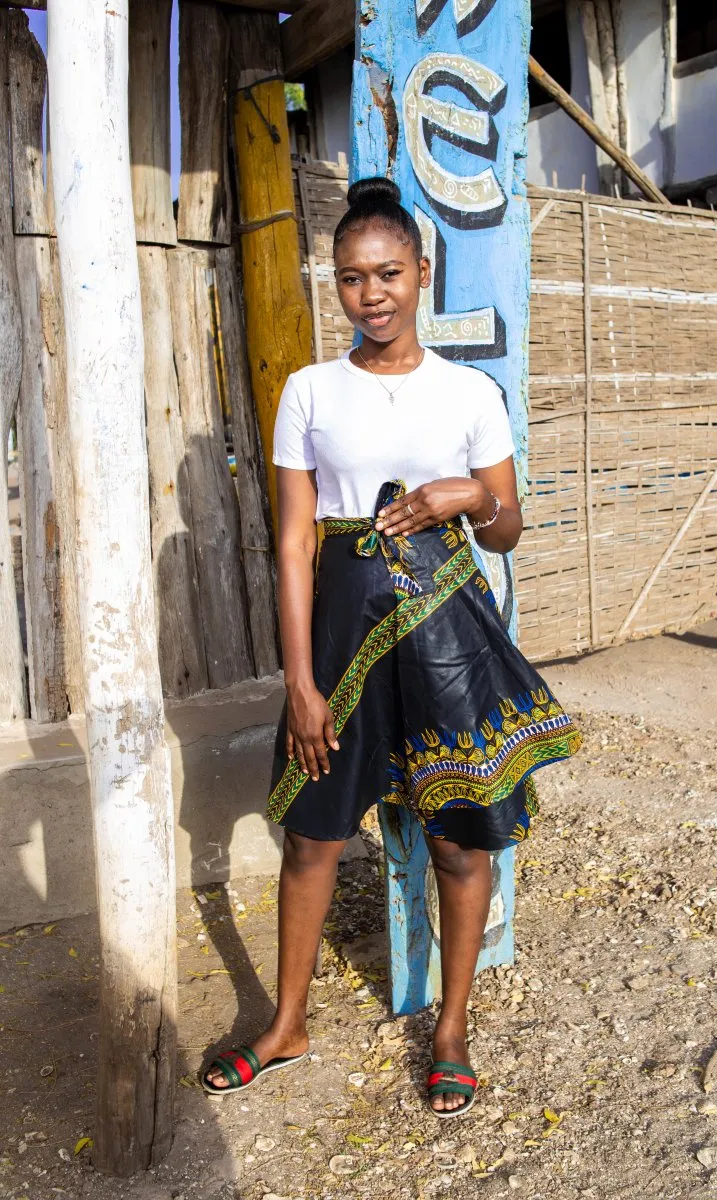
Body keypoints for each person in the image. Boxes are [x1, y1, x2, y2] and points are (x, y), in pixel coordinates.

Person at [202, 177, 581, 1116]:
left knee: (458, 840)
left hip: (448, 634)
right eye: (350, 279)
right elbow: (293, 542)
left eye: (388, 274)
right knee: (313, 836)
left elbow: (507, 531)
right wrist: (298, 678)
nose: (371, 293)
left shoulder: (468, 392)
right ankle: (286, 1023)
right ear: (336, 287)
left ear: (422, 273)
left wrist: (470, 497)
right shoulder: (308, 391)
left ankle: (448, 1029)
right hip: (340, 631)